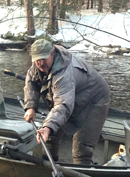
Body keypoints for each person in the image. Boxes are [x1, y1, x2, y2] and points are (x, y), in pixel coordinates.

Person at [23, 38, 111, 166]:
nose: (40, 63)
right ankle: (48, 167)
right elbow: (31, 83)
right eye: (37, 60)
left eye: (43, 59)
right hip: (71, 97)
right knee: (49, 135)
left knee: (82, 148)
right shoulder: (37, 64)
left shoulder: (64, 76)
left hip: (94, 99)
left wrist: (48, 127)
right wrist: (30, 107)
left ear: (52, 53)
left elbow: (63, 105)